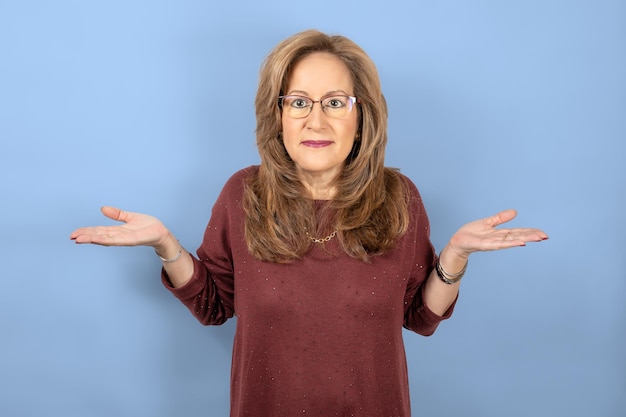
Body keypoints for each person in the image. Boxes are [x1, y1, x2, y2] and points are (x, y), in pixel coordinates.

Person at [70, 29, 548, 416]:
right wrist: (166, 246)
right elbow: (215, 306)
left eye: (335, 102)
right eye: (298, 101)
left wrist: (455, 257)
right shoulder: (243, 194)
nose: (315, 120)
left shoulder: (399, 198)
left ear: (362, 117)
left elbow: (419, 318)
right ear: (277, 114)